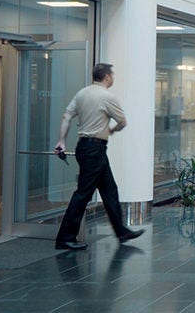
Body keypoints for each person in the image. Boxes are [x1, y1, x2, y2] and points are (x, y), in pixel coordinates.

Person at [53, 63, 145, 250]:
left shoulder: (82, 93)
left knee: (109, 189)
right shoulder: (107, 97)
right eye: (112, 75)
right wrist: (111, 129)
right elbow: (122, 121)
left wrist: (61, 141)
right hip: (95, 148)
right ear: (107, 77)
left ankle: (121, 231)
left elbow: (66, 116)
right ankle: (65, 238)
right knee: (83, 193)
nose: (113, 78)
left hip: (85, 147)